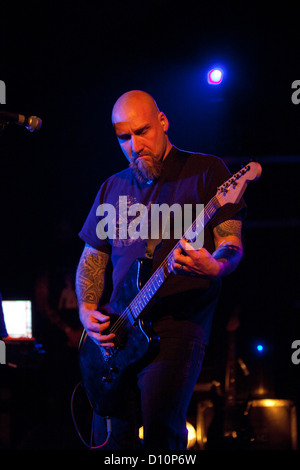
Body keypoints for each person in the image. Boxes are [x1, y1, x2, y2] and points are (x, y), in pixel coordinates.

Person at [75, 90, 246, 450]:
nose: (135, 145)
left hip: (178, 328)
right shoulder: (112, 187)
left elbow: (231, 244)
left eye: (143, 131)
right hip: (117, 330)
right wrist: (86, 309)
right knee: (110, 444)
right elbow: (92, 257)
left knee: (161, 439)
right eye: (124, 137)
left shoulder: (206, 172)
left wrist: (214, 265)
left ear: (163, 123)